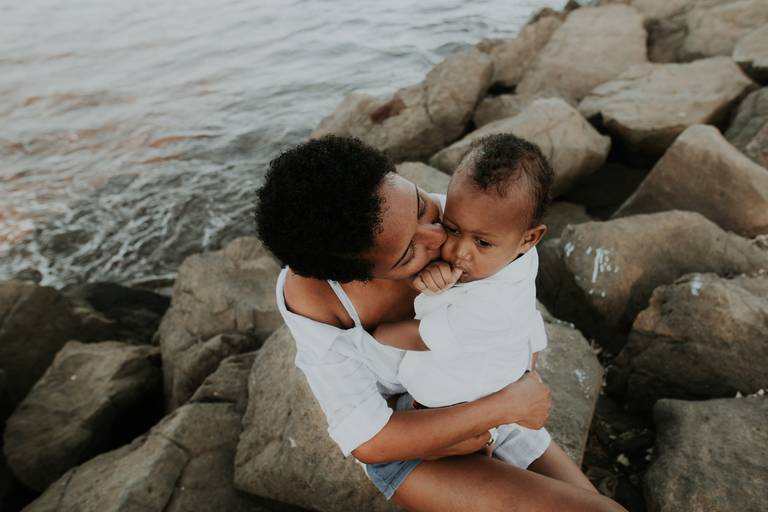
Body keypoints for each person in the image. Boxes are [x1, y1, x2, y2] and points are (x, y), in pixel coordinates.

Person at [256, 135, 626, 511]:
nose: (440, 240)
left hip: (481, 393)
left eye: (420, 206)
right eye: (408, 253)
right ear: (360, 274)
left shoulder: (467, 220)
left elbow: (517, 304)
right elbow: (368, 439)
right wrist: (504, 406)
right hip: (415, 440)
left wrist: (518, 377)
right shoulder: (316, 300)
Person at [371, 134, 554, 470]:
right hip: (501, 374)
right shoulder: (516, 251)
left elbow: (410, 336)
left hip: (452, 406)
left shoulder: (491, 307)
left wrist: (377, 328)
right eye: (452, 229)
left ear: (530, 238)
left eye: (482, 242)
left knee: (449, 447)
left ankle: (480, 445)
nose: (458, 252)